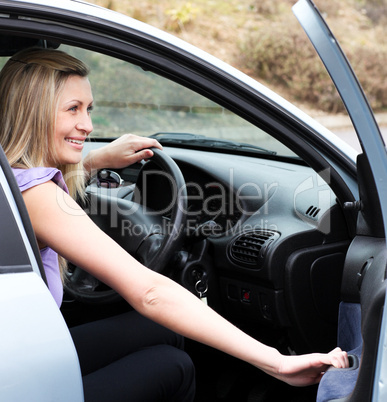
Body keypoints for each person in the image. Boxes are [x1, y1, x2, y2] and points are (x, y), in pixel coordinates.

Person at [0, 47, 348, 401]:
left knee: (160, 332)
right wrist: (275, 362)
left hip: (17, 356)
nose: (87, 126)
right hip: (19, 381)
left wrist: (94, 161)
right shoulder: (39, 195)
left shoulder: (11, 182)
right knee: (174, 367)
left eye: (89, 109)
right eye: (72, 109)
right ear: (34, 114)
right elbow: (149, 292)